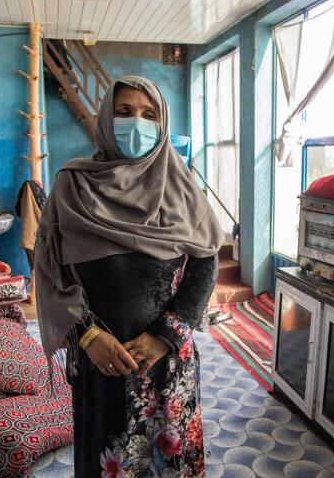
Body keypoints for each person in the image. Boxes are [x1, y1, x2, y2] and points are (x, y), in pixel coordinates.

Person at [34, 76, 223, 477]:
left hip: (166, 360)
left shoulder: (184, 187)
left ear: (163, 125)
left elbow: (205, 263)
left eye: (148, 115)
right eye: (124, 112)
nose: (136, 123)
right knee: (109, 460)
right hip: (101, 361)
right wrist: (86, 335)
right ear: (105, 118)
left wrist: (165, 335)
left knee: (167, 460)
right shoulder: (73, 184)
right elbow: (52, 270)